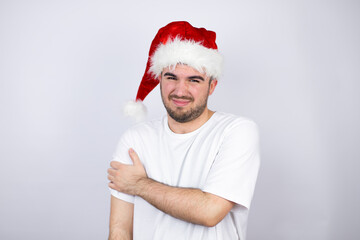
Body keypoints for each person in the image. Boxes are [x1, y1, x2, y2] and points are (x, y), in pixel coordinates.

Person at [107, 21, 260, 240]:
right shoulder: (135, 139)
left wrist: (139, 184)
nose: (180, 90)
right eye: (171, 77)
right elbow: (120, 229)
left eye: (194, 80)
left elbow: (210, 212)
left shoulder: (236, 132)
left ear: (212, 85)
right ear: (159, 78)